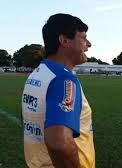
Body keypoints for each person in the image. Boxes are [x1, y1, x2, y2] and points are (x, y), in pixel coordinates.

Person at [21, 13, 95, 168]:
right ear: (64, 41)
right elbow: (59, 144)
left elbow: (25, 118)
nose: (89, 44)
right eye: (83, 38)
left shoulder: (38, 73)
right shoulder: (64, 79)